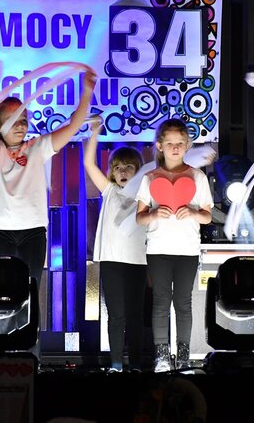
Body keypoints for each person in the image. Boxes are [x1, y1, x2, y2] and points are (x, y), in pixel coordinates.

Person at [0, 61, 97, 355]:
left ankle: (29, 357)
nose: (21, 124)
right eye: (13, 119)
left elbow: (73, 126)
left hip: (32, 232)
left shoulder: (37, 148)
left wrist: (87, 91)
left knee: (28, 294)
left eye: (24, 118)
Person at [135, 118, 213, 372]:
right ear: (160, 146)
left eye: (180, 143)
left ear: (187, 145)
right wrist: (154, 214)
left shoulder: (197, 177)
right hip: (158, 248)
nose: (175, 148)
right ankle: (161, 356)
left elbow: (207, 216)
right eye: (169, 143)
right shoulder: (150, 178)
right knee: (160, 301)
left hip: (187, 249)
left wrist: (192, 212)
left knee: (183, 302)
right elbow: (139, 217)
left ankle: (183, 357)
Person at [83, 117, 148, 373]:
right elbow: (89, 164)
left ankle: (137, 364)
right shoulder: (109, 191)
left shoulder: (146, 194)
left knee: (134, 315)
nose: (122, 172)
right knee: (116, 315)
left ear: (138, 170)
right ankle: (117, 364)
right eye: (118, 167)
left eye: (129, 167)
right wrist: (94, 133)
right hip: (112, 261)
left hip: (138, 261)